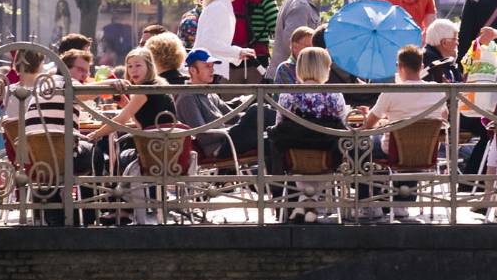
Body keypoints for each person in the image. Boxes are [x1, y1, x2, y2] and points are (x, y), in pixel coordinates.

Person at [4, 49, 97, 225]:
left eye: (87, 70)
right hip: (58, 158)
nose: (85, 74)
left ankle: (54, 209)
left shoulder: (45, 85)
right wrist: (115, 84)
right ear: (65, 68)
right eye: (80, 69)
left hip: (33, 160)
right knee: (95, 153)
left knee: (62, 150)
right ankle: (92, 215)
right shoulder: (67, 84)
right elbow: (88, 92)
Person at [268, 47, 348, 223]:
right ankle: (310, 204)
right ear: (324, 68)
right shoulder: (334, 95)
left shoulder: (287, 95)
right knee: (338, 146)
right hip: (326, 153)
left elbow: (279, 124)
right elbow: (343, 125)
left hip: (294, 153)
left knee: (294, 150)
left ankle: (303, 203)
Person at [176, 49, 273, 158]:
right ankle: (286, 119)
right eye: (207, 66)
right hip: (219, 147)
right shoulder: (187, 98)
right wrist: (234, 129)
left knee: (273, 138)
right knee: (256, 111)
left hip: (229, 138)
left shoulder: (210, 93)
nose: (212, 70)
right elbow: (203, 134)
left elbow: (233, 116)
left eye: (212, 66)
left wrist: (246, 121)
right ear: (193, 70)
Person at [362, 45, 447, 158]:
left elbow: (369, 125)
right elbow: (444, 118)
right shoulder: (437, 91)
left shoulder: (391, 92)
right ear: (421, 67)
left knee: (361, 143)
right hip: (428, 151)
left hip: (395, 151)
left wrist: (380, 120)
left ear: (399, 66)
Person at [87, 48, 176, 141]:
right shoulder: (158, 84)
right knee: (123, 140)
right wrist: (126, 104)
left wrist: (94, 134)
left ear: (149, 67)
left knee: (115, 144)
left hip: (156, 146)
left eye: (138, 65)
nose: (133, 70)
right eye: (130, 66)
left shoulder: (145, 89)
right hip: (165, 143)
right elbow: (141, 124)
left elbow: (121, 120)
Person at [193, 0, 255, 81]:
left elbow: (215, 45)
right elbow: (209, 42)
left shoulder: (218, 5)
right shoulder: (220, 7)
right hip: (209, 70)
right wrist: (238, 52)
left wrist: (238, 54)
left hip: (208, 69)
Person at [267, 0, 325, 80]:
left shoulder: (298, 1)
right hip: (288, 78)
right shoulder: (300, 6)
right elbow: (294, 42)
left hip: (293, 76)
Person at [422, 19, 462, 83]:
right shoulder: (432, 62)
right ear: (444, 43)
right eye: (455, 39)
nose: (457, 43)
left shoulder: (445, 60)